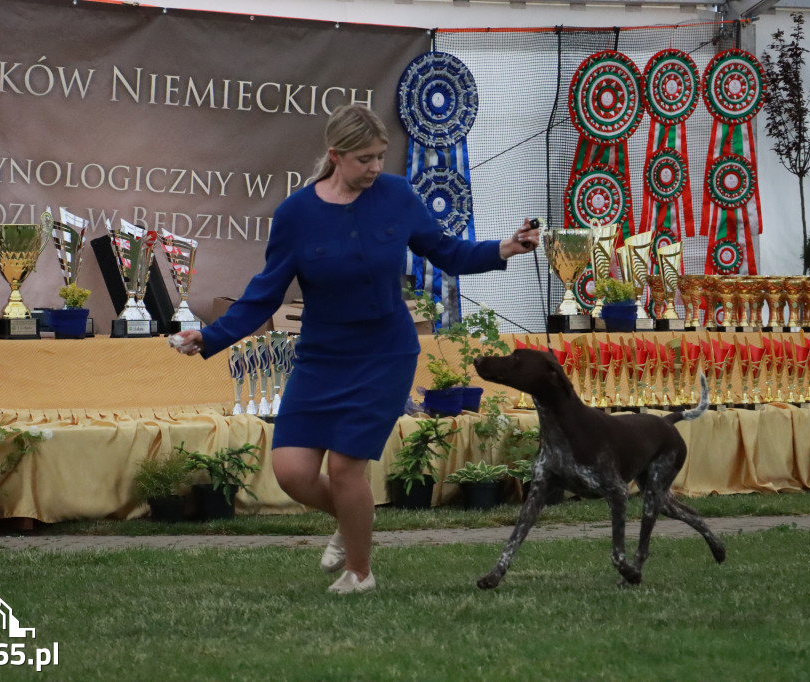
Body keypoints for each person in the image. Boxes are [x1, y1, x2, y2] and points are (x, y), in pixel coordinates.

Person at [171, 103, 539, 594]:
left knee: (345, 467)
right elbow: (263, 292)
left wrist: (503, 248)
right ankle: (352, 521)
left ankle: (359, 573)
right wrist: (210, 335)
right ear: (335, 155)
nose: (375, 167)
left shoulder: (398, 195)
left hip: (385, 354)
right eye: (365, 158)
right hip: (323, 358)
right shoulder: (296, 215)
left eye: (381, 156)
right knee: (292, 472)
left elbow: (446, 251)